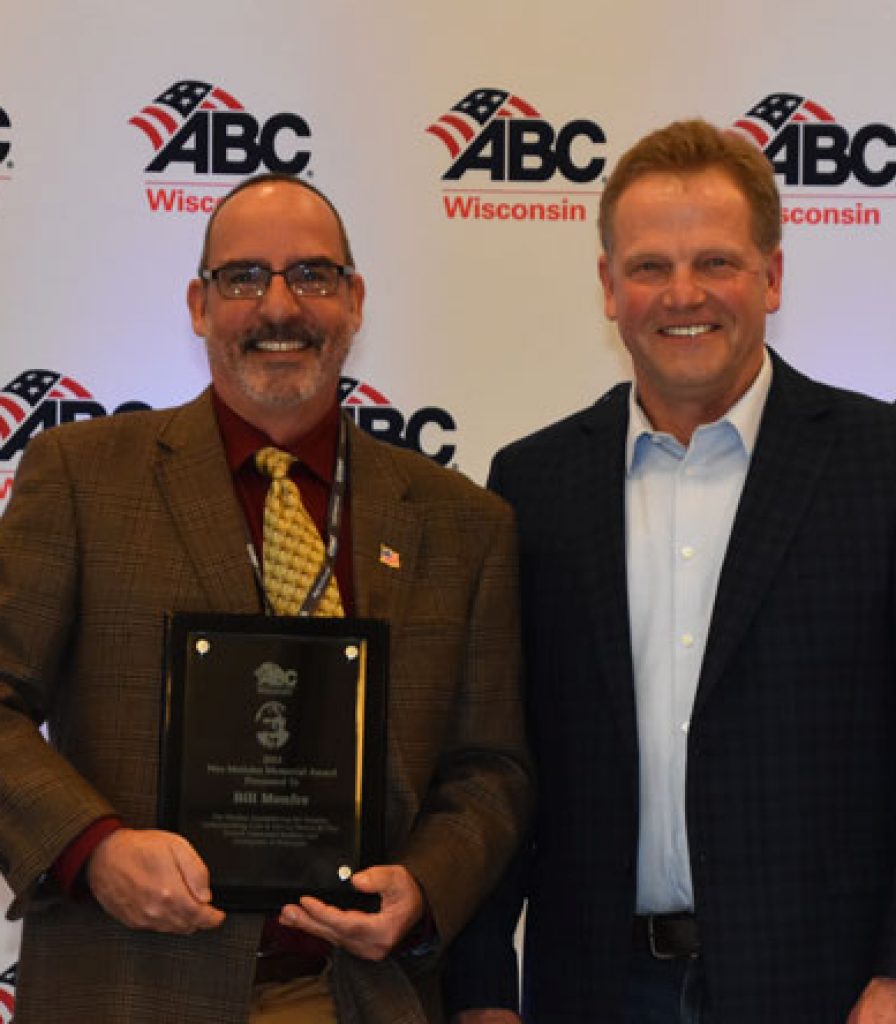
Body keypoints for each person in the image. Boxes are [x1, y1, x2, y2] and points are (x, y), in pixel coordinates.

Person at [443, 120, 896, 1024]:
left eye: (715, 261)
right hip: (594, 993)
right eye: (648, 267)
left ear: (773, 275)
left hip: (837, 994)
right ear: (607, 286)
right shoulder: (533, 483)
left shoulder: (894, 465)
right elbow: (494, 759)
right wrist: (479, 989)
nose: (683, 295)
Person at [0, 173, 531, 1024]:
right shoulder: (81, 476)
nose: (278, 306)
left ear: (355, 302)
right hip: (128, 983)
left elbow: (490, 769)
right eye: (243, 278)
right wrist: (92, 850)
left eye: (313, 276)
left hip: (354, 992)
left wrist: (426, 887)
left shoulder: (461, 522)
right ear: (198, 304)